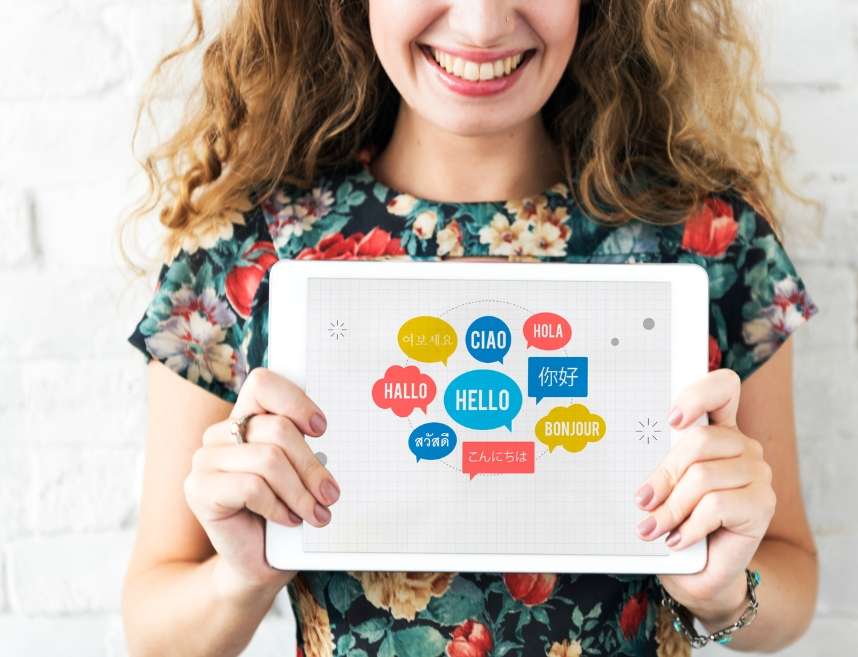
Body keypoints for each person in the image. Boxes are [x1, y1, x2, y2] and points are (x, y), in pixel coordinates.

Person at [119, 1, 820, 656]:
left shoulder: (714, 240)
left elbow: (792, 579)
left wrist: (723, 588)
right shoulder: (245, 250)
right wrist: (242, 574)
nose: (482, 25)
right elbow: (153, 626)